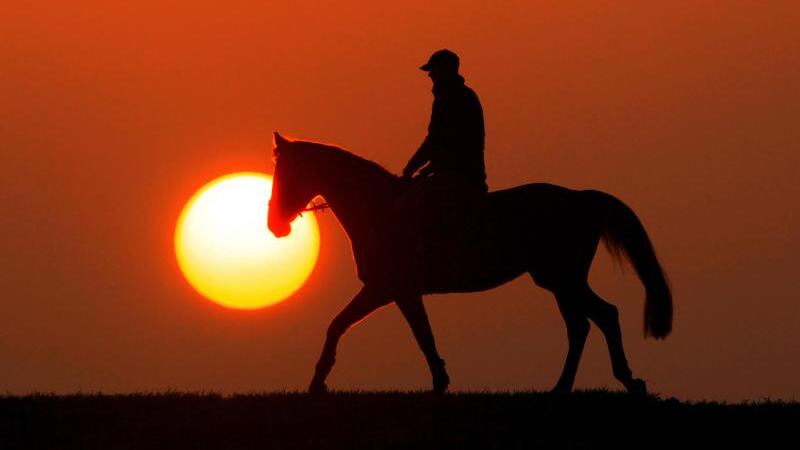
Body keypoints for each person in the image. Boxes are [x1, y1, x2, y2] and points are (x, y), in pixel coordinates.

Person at [395, 49, 488, 285]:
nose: (430, 76)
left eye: (433, 71)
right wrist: (422, 168)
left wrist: (412, 169)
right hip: (457, 171)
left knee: (408, 206)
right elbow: (439, 141)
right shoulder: (460, 95)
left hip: (459, 175)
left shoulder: (451, 98)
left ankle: (431, 262)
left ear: (445, 71)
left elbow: (439, 140)